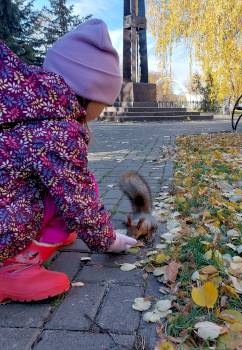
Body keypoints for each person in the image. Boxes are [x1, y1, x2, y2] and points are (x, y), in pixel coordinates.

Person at [0, 19, 138, 303]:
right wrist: (107, 240)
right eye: (106, 102)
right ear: (89, 94)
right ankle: (12, 268)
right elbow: (78, 196)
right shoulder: (59, 130)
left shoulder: (31, 102)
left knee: (64, 189)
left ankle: (51, 233)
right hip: (5, 220)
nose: (104, 110)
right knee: (73, 191)